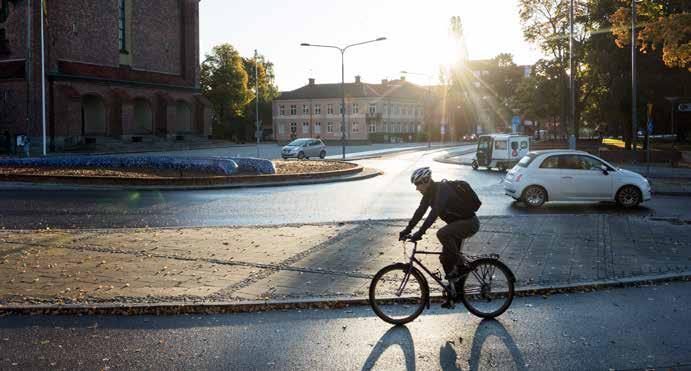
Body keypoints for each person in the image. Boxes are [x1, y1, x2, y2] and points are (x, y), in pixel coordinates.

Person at [399, 167, 480, 284]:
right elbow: (420, 212)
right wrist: (407, 229)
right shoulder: (428, 194)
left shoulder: (442, 189)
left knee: (442, 234)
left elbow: (434, 213)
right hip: (457, 226)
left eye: (417, 184)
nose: (416, 188)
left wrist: (420, 232)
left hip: (469, 223)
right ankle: (453, 294)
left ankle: (462, 266)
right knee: (445, 259)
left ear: (426, 180)